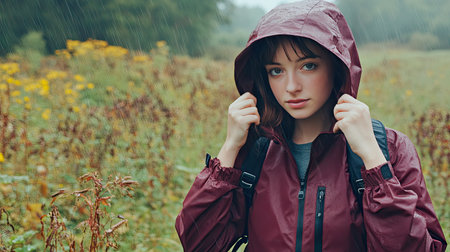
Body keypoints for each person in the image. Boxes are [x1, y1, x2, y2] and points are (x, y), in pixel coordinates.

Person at [175, 0, 447, 251]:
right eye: (276, 71)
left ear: (337, 67)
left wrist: (373, 161)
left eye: (308, 66)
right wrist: (230, 148)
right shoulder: (254, 153)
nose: (291, 87)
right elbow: (199, 244)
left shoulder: (390, 148)